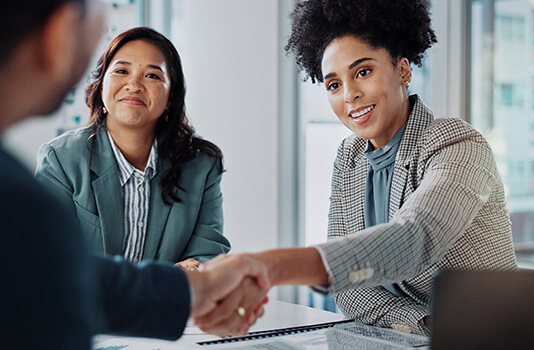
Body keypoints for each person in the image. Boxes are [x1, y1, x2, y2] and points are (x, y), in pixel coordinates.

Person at [0, 0, 267, 347]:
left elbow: (62, 276)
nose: (134, 83)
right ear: (59, 33)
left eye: (152, 75)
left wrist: (189, 291)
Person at [203, 0, 517, 336]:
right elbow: (351, 292)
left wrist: (268, 266)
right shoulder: (349, 158)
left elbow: (415, 239)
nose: (349, 94)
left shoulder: (456, 143)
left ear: (403, 70)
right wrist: (424, 323)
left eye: (363, 72)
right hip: (417, 338)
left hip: (499, 336)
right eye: (334, 84)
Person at [36, 27, 229, 270]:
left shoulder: (201, 164)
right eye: (121, 71)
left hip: (169, 307)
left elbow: (208, 257)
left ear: (171, 97)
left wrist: (192, 274)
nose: (134, 85)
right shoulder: (61, 159)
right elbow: (51, 258)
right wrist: (159, 281)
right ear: (101, 85)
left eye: (152, 76)